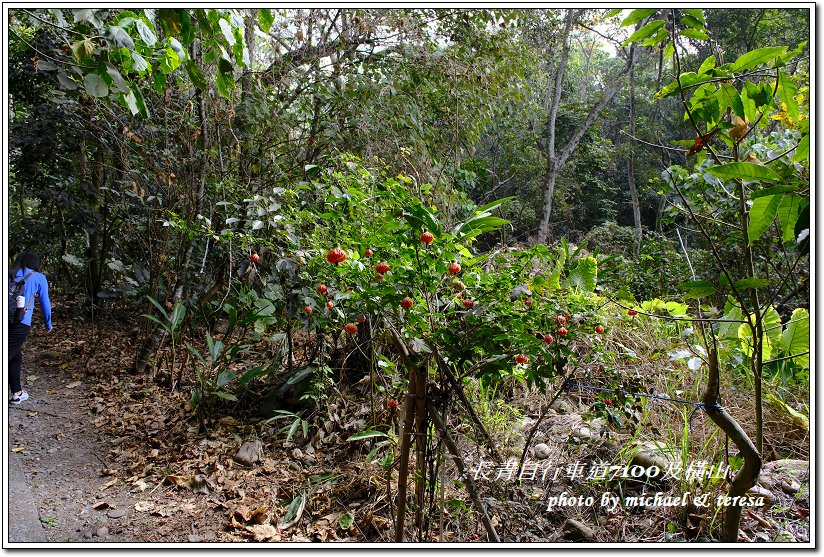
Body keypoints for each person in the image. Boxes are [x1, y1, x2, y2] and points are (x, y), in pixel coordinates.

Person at [8, 252, 52, 404]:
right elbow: (45, 302)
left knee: (15, 355)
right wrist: (48, 323)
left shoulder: (9, 274)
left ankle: (17, 393)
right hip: (21, 322)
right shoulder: (39, 277)